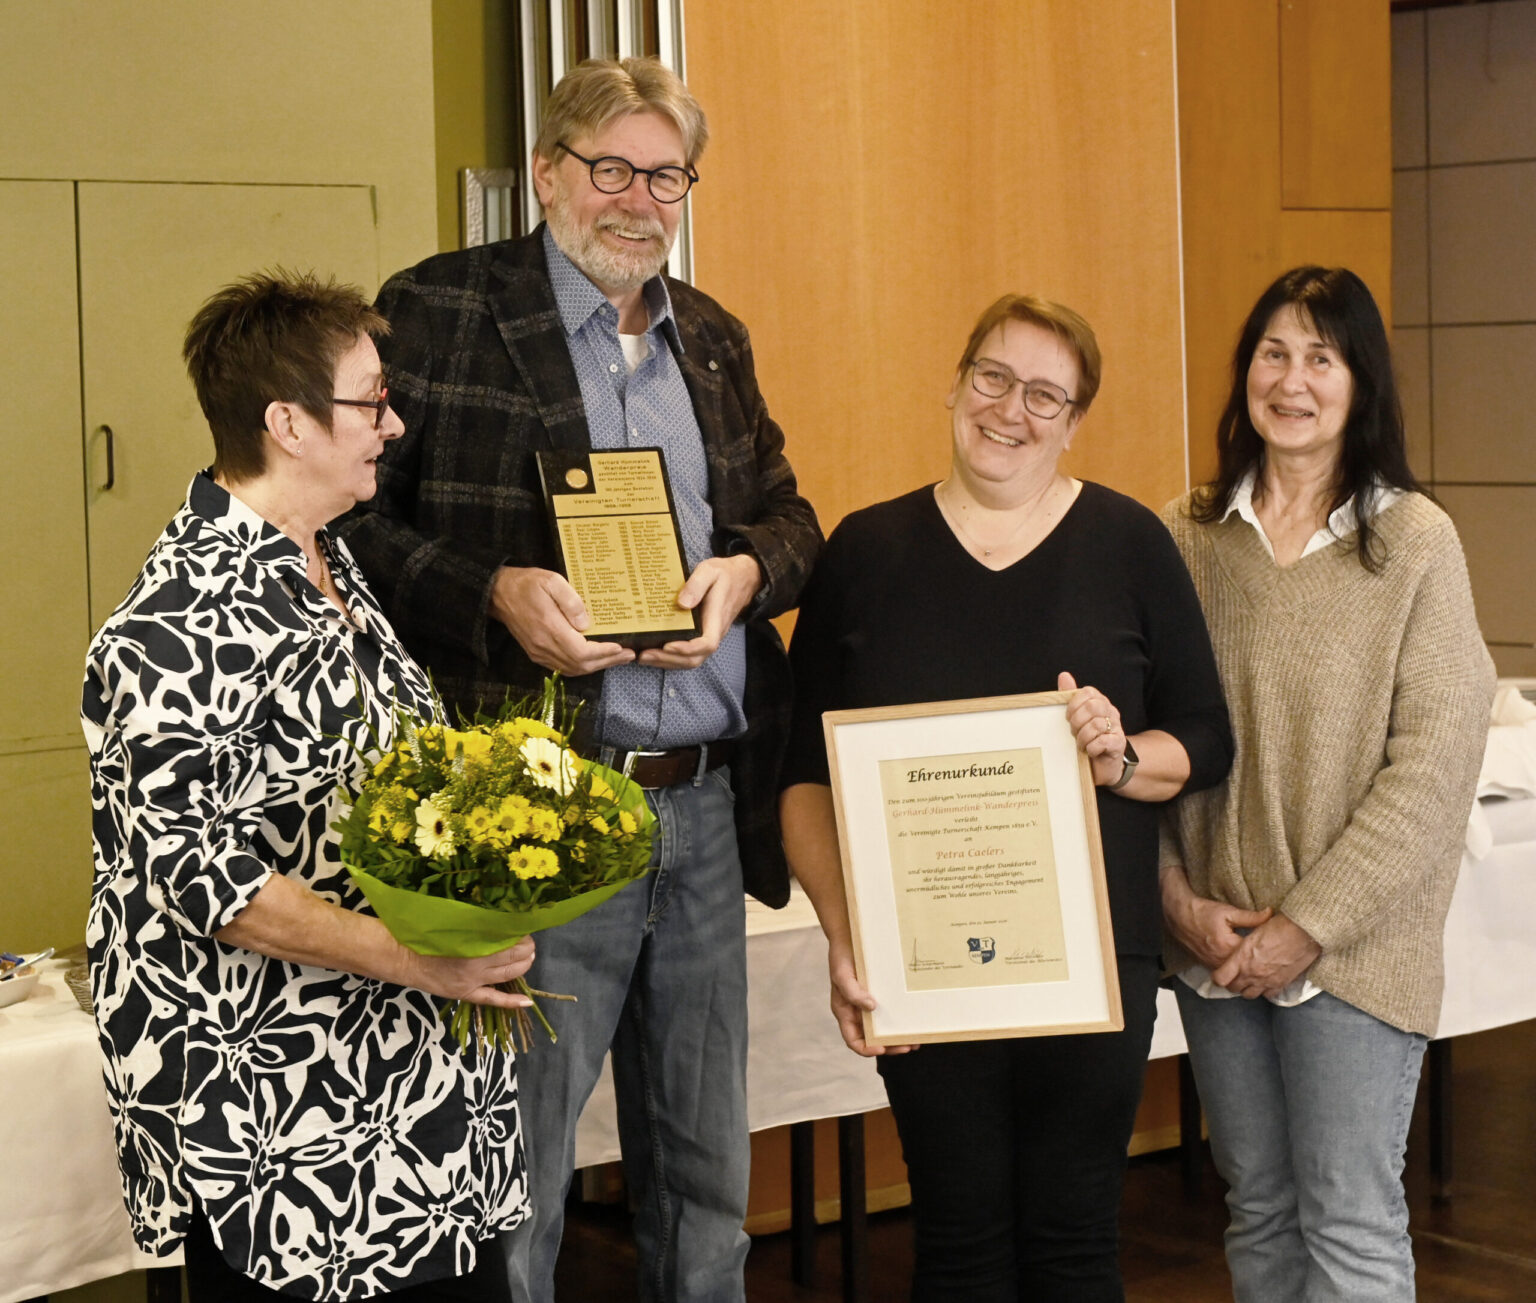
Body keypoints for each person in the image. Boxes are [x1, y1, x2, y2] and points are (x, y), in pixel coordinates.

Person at [337, 57, 821, 1303]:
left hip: (704, 805)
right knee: (519, 1165)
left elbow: (791, 516)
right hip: (541, 805)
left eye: (666, 175)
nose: (638, 200)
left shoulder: (710, 336)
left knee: (709, 1166)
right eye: (611, 168)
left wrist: (743, 577)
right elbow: (353, 528)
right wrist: (493, 592)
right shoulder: (439, 310)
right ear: (548, 174)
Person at [83, 272, 537, 1302]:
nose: (396, 423)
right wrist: (419, 958)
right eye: (372, 400)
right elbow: (208, 883)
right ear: (287, 422)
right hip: (288, 1135)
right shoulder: (174, 621)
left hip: (416, 1117)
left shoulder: (328, 561)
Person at [779, 293, 1233, 1301]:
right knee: (958, 1243)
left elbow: (1204, 739)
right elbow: (801, 772)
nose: (1010, 409)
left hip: (1091, 963)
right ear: (957, 381)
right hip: (924, 969)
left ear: (1073, 420)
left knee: (1074, 1244)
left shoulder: (1128, 542)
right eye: (993, 376)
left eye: (1044, 394)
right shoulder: (866, 550)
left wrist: (1118, 753)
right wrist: (847, 933)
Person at [1159, 265, 1496, 1302]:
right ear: (1244, 371)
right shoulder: (1186, 534)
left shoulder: (1415, 542)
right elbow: (1150, 742)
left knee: (1349, 1217)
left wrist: (1304, 924)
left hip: (1355, 952)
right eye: (1273, 351)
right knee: (1258, 1207)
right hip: (1216, 943)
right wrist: (1179, 904)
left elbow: (1433, 769)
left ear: (1362, 383)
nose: (1292, 379)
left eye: (1321, 355)